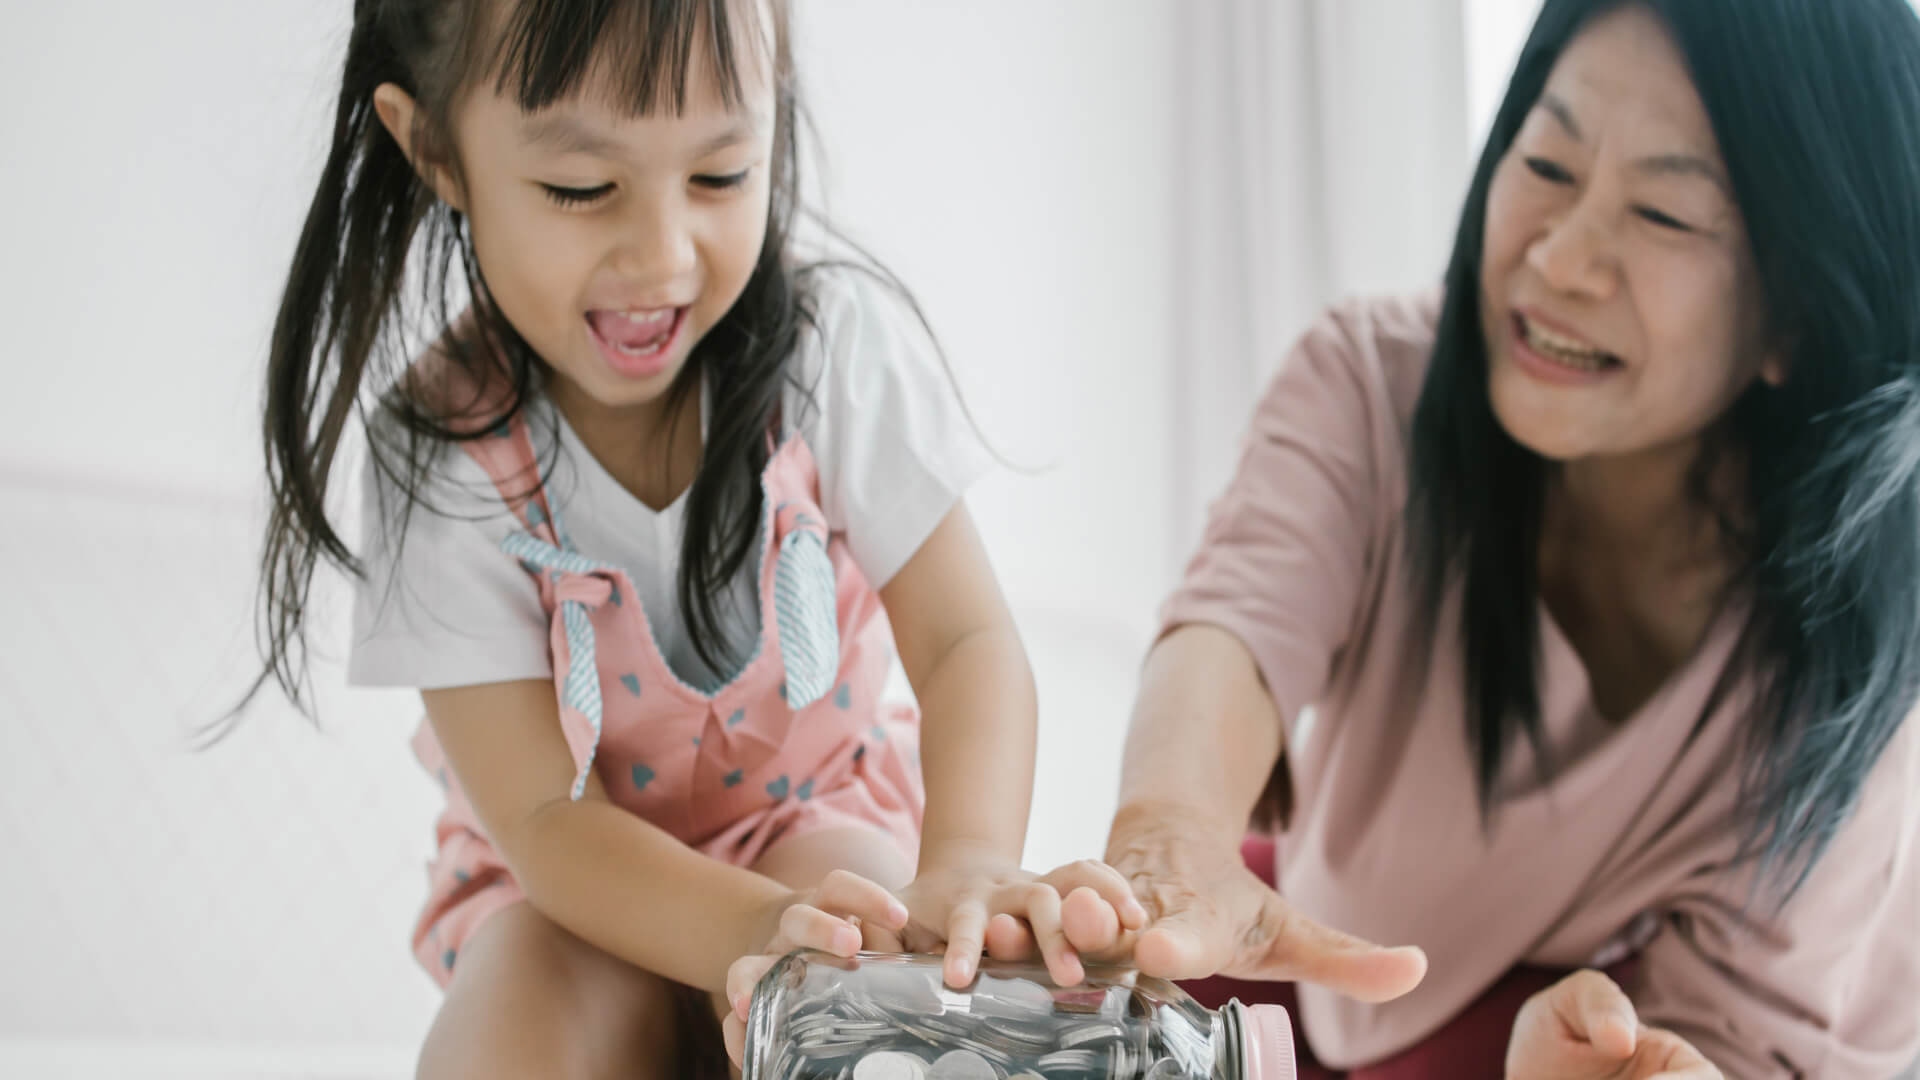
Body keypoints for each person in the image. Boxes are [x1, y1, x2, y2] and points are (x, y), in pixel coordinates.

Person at [247, 1, 1141, 1075]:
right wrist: (744, 936)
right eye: (582, 187)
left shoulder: (833, 355)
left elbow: (966, 646)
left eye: (720, 175)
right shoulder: (440, 452)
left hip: (814, 834)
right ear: (433, 146)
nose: (663, 256)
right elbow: (542, 818)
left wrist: (966, 863)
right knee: (519, 1015)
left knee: (867, 977)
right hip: (572, 893)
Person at [1076, 1, 1920, 1076]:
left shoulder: (1858, 627)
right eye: (1549, 162)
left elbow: (1733, 1040)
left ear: (1796, 317)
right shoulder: (1372, 380)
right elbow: (1235, 630)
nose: (1561, 261)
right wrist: (1168, 822)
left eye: (1663, 215)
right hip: (1343, 939)